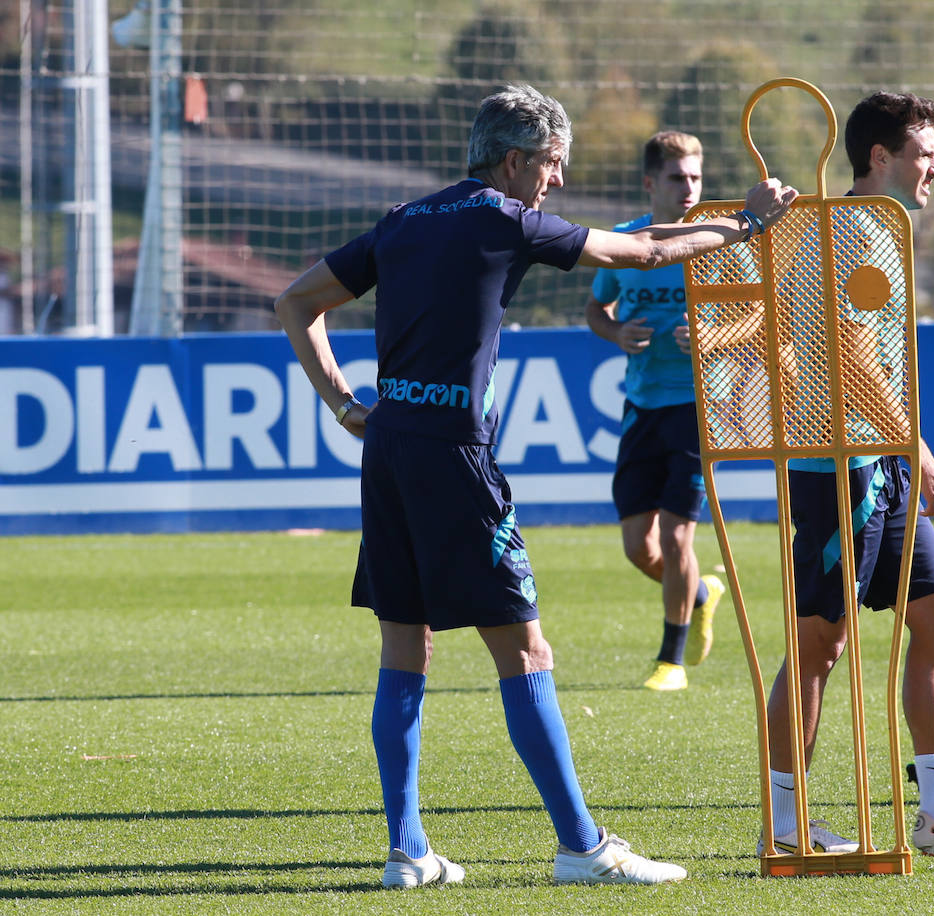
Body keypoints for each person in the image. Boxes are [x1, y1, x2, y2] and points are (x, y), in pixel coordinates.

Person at [274, 83, 797, 889]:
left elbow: (295, 299)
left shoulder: (406, 218)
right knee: (524, 647)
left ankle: (407, 853)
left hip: (391, 450)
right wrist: (747, 223)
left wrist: (347, 405)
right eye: (551, 166)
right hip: (453, 453)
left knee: (404, 646)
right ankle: (583, 847)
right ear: (516, 161)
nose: (554, 182)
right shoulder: (500, 217)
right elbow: (644, 252)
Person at [760, 91, 934, 858]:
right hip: (839, 468)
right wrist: (926, 454)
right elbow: (846, 358)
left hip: (881, 459)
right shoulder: (850, 236)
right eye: (923, 152)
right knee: (820, 643)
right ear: (879, 158)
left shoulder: (875, 231)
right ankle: (785, 823)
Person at [584, 131, 730, 692]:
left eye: (695, 177)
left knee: (675, 540)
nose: (689, 187)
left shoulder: (718, 241)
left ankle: (670, 661)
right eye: (677, 178)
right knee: (638, 548)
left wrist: (716, 335)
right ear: (651, 184)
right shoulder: (623, 243)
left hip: (698, 408)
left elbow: (757, 313)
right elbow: (596, 307)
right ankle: (698, 593)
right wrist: (617, 331)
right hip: (641, 405)